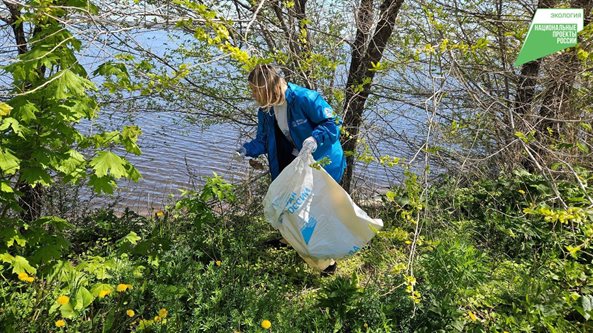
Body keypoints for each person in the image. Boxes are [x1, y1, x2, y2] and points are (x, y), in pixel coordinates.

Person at [237, 64, 346, 274]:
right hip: (296, 164)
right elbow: (264, 139)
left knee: (311, 214)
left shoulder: (306, 98)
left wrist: (315, 138)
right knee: (289, 207)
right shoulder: (267, 110)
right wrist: (248, 150)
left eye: (255, 90)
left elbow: (332, 124)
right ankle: (290, 240)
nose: (252, 95)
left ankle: (326, 264)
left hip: (322, 164)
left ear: (269, 87)